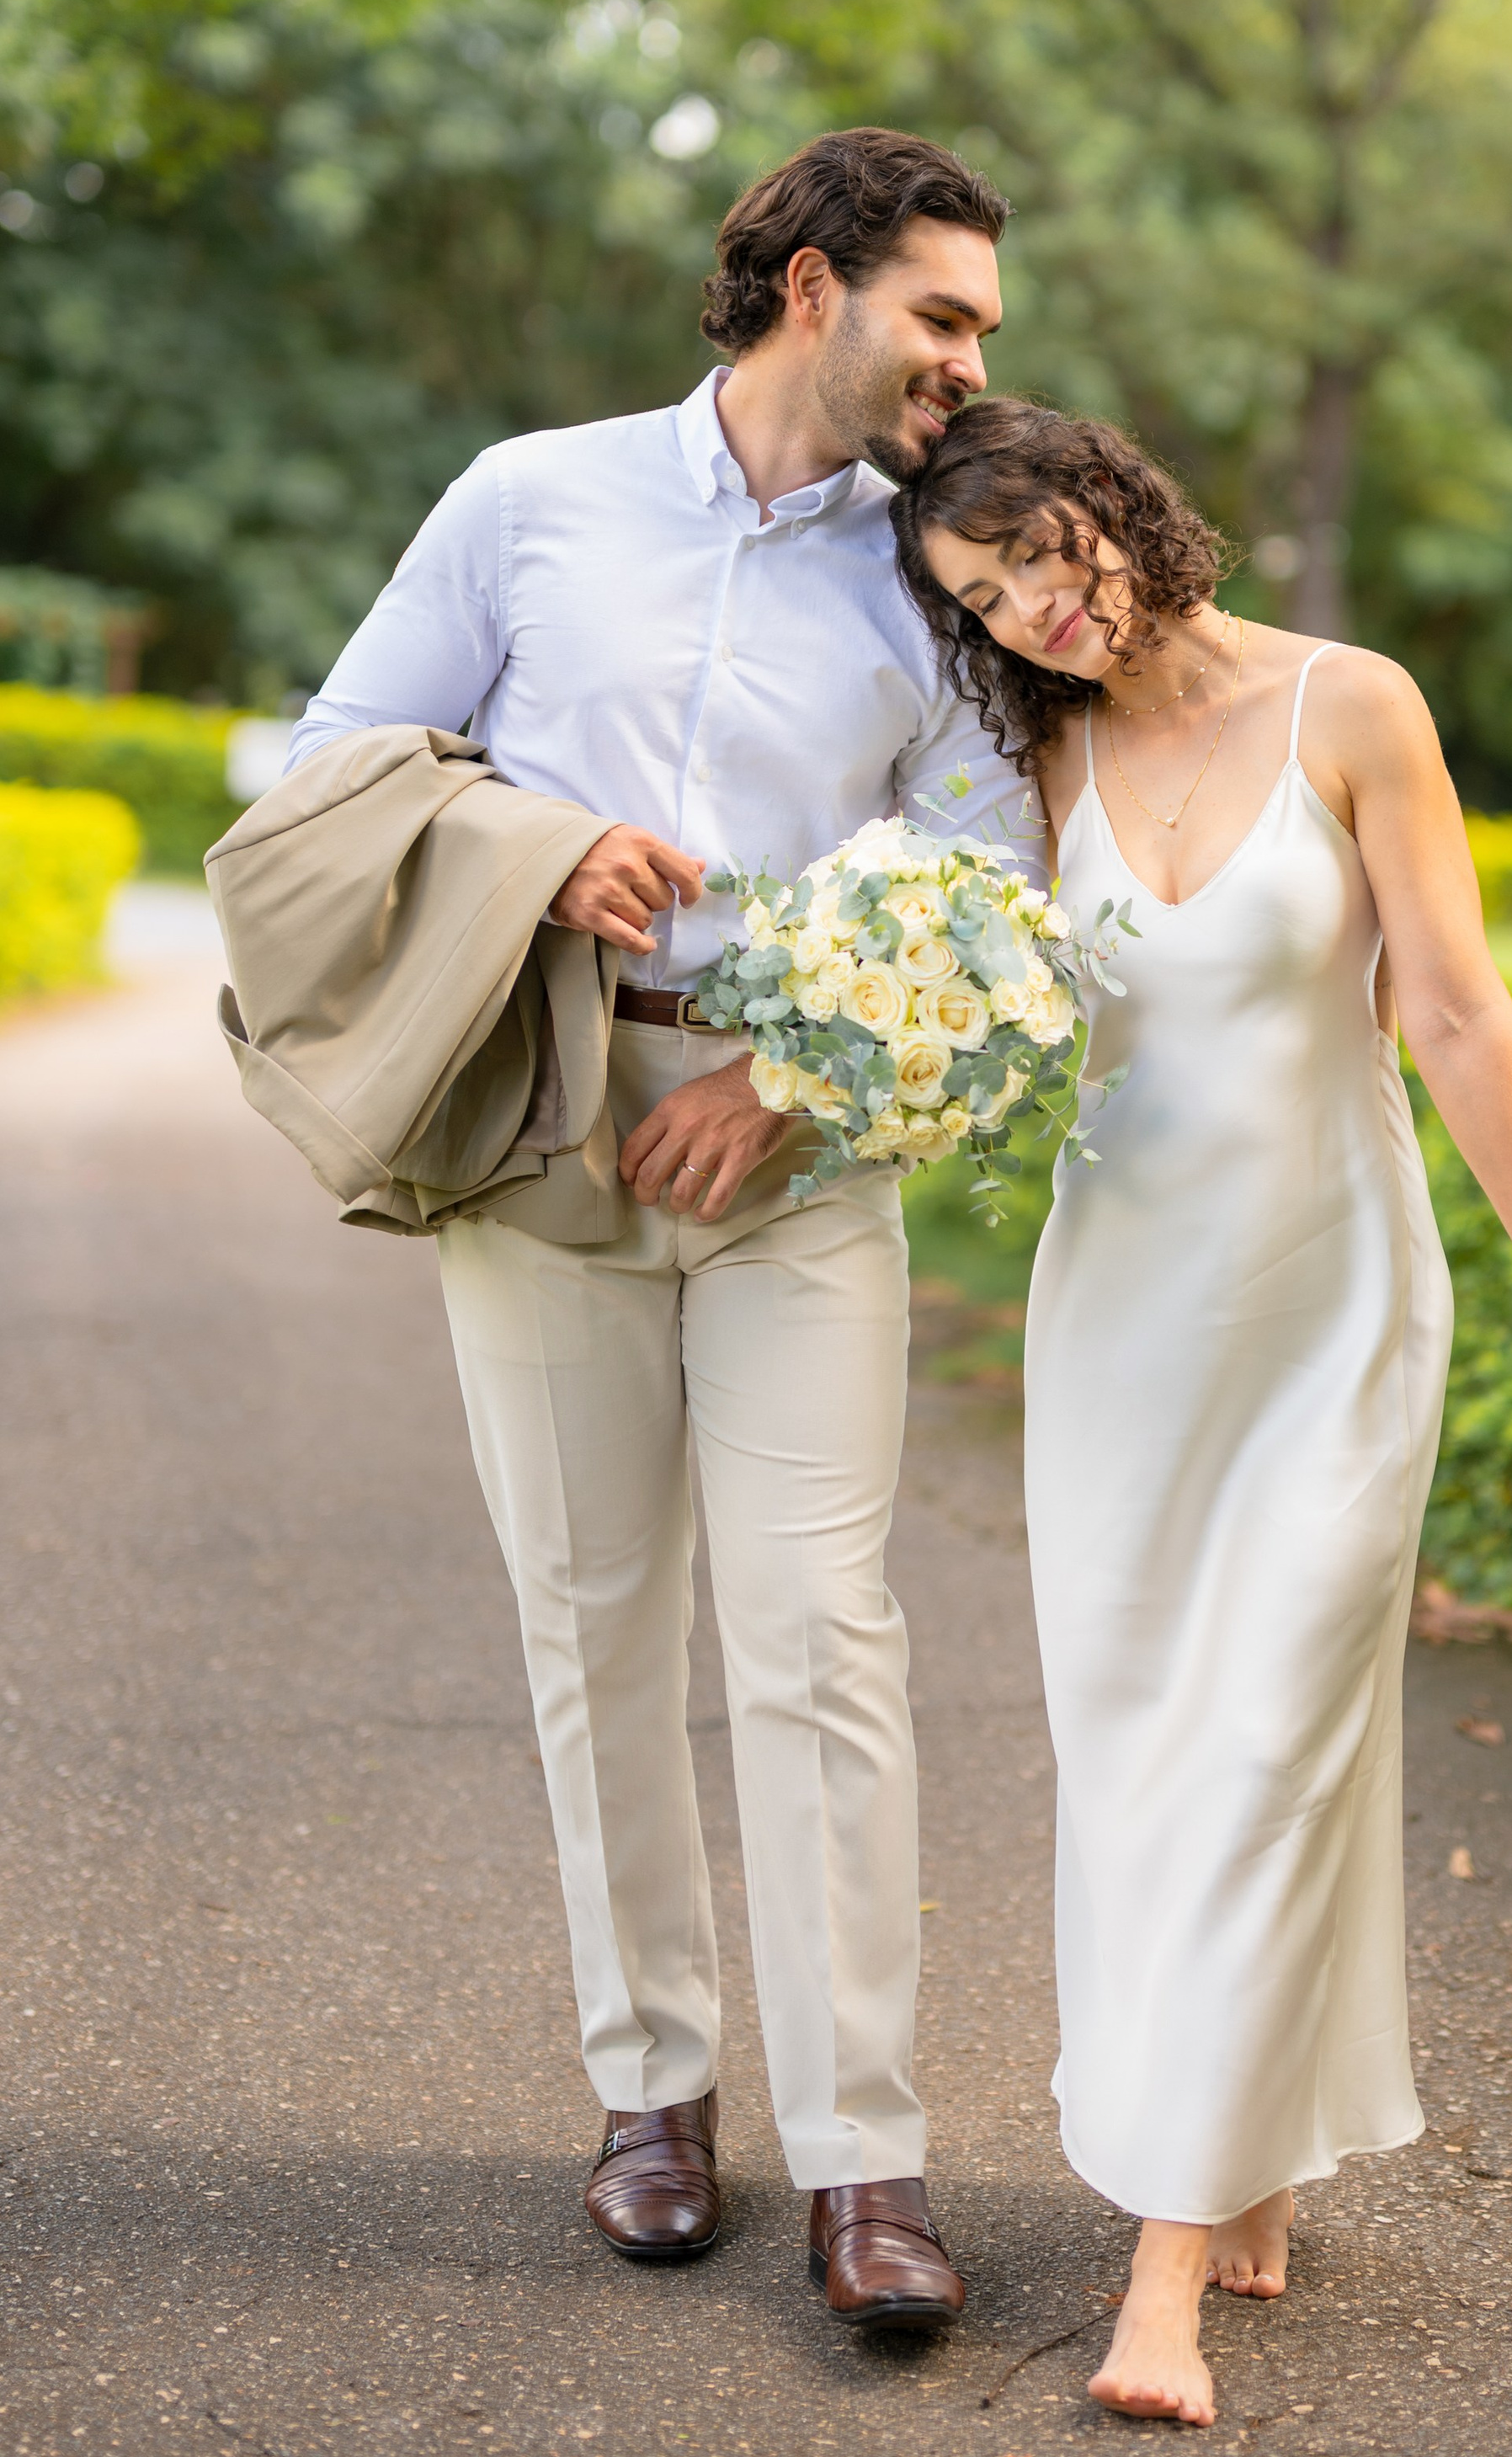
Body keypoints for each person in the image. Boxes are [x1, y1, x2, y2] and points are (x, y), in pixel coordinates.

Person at [285, 131, 1038, 2329]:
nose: (974, 357)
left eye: (983, 323)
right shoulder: (532, 499)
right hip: (542, 1115)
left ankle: (869, 2159)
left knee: (824, 1640)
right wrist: (536, 839)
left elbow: (996, 883)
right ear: (811, 286)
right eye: (947, 313)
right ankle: (653, 2094)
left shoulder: (947, 557)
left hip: (806, 1144)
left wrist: (798, 1083)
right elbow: (337, 758)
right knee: (593, 1621)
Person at [891, 398, 1512, 2423]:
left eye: (1047, 556)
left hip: (1332, 1302)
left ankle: (1161, 2280)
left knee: (1266, 1732)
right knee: (1140, 1745)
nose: (1042, 617)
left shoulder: (1351, 704)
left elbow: (1458, 1009)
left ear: (1113, 500)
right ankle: (1249, 2141)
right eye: (989, 604)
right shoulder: (1028, 752)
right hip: (1118, 1319)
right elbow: (960, 999)